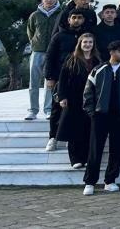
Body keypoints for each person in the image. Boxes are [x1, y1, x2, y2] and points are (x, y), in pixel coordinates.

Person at [82, 40, 120, 196]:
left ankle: (110, 180)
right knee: (95, 150)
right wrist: (92, 112)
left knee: (117, 150)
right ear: (112, 52)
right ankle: (90, 182)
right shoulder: (98, 70)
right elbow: (88, 92)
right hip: (100, 116)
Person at [44, 9, 87, 151]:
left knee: (75, 110)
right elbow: (50, 56)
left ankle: (72, 137)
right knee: (57, 109)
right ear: (69, 20)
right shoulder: (59, 36)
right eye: (74, 17)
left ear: (83, 20)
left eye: (79, 17)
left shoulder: (87, 36)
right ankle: (53, 137)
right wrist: (49, 77)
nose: (77, 20)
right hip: (60, 78)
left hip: (80, 80)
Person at [56, 33, 100, 169]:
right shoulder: (72, 59)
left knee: (88, 129)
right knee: (74, 129)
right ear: (80, 44)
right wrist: (62, 97)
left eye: (90, 42)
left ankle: (85, 158)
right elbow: (62, 80)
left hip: (91, 100)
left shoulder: (97, 60)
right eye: (85, 42)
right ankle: (75, 159)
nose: (87, 45)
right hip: (73, 99)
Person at [25, 0, 61, 120]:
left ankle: (48, 109)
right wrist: (35, 43)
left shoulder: (60, 14)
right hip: (37, 52)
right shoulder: (35, 15)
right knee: (33, 82)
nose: (49, 0)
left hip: (53, 53)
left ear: (55, 0)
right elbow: (30, 31)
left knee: (50, 82)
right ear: (42, 0)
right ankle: (33, 110)